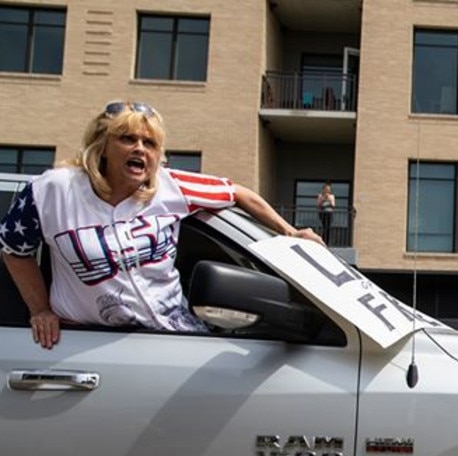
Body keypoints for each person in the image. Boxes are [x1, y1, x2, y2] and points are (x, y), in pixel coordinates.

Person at [0, 100, 322, 349]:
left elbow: (237, 193)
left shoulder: (172, 187)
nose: (140, 148)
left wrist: (290, 232)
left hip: (172, 336)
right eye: (127, 138)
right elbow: (15, 250)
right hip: (86, 343)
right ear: (101, 146)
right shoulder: (51, 190)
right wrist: (40, 309)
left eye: (150, 143)